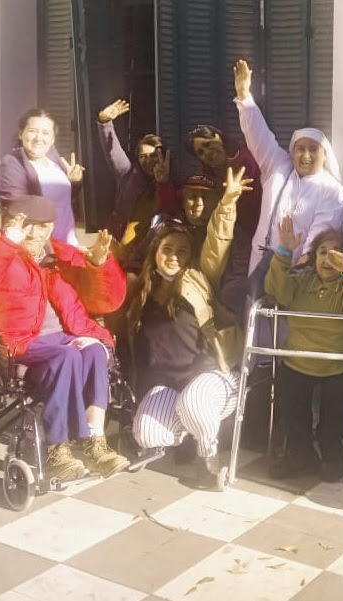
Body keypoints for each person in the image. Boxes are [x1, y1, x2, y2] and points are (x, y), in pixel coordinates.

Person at [0, 195, 129, 481]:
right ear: (11, 223)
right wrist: (6, 242)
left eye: (42, 226)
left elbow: (106, 302)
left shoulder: (59, 254)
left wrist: (99, 265)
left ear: (52, 227)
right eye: (27, 224)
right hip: (16, 343)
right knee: (68, 355)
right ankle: (56, 450)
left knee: (94, 351)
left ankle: (95, 443)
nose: (34, 233)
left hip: (63, 338)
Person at [129, 167, 250, 489]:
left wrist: (228, 202)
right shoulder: (143, 288)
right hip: (171, 382)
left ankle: (209, 457)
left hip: (213, 374)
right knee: (147, 434)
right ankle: (188, 433)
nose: (174, 257)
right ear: (156, 252)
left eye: (181, 252)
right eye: (167, 250)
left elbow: (217, 244)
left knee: (194, 403)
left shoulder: (198, 277)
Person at [265, 218, 343, 481]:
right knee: (289, 390)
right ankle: (301, 456)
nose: (327, 259)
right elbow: (277, 292)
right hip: (301, 358)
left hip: (340, 362)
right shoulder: (303, 280)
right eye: (322, 253)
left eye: (335, 254)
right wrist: (284, 252)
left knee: (336, 400)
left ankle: (331, 451)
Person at [232, 59, 343, 282]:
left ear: (325, 155)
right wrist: (244, 97)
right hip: (261, 261)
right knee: (254, 305)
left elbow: (322, 234)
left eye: (313, 149)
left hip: (299, 271)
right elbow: (259, 136)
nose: (306, 155)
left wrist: (302, 266)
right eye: (300, 149)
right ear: (292, 152)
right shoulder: (278, 167)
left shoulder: (332, 190)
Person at [185, 123, 263, 315]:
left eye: (208, 144)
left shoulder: (247, 158)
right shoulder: (208, 176)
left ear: (219, 137)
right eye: (201, 152)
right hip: (233, 233)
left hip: (260, 230)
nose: (207, 153)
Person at [96, 98, 180, 260]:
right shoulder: (128, 173)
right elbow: (111, 151)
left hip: (155, 248)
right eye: (143, 156)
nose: (148, 160)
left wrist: (163, 182)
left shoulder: (173, 181)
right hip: (121, 244)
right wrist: (105, 123)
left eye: (154, 155)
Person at [0, 108, 85, 246]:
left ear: (52, 139)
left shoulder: (54, 160)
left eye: (45, 133)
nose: (39, 138)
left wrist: (74, 181)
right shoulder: (11, 164)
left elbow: (64, 199)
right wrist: (45, 249)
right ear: (21, 134)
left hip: (68, 240)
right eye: (32, 131)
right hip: (39, 245)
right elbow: (17, 212)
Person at [122, 173, 221, 276]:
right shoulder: (163, 225)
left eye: (205, 198)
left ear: (215, 203)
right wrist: (132, 274)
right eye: (193, 197)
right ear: (183, 202)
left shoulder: (218, 233)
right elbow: (137, 258)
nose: (199, 203)